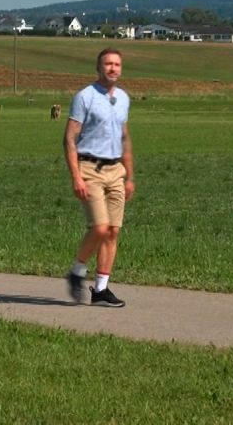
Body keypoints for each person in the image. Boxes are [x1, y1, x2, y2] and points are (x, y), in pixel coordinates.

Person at [63, 48, 135, 307]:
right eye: (108, 64)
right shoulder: (85, 97)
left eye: (117, 64)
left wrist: (129, 176)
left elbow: (124, 137)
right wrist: (76, 177)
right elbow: (70, 138)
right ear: (98, 67)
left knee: (113, 231)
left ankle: (101, 289)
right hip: (89, 168)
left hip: (116, 170)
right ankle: (77, 271)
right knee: (100, 227)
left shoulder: (124, 99)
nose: (113, 68)